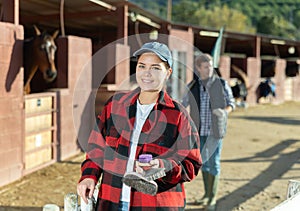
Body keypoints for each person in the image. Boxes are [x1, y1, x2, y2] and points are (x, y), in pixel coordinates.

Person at [77, 41, 202, 211]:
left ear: (168, 73)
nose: (147, 73)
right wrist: (89, 177)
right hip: (111, 201)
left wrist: (163, 166)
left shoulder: (178, 115)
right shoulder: (114, 106)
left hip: (155, 205)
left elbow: (191, 164)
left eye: (156, 68)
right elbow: (96, 148)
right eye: (142, 66)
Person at [182, 53, 235, 210]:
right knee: (203, 163)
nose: (209, 69)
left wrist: (224, 111)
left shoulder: (221, 84)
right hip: (199, 132)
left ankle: (212, 199)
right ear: (198, 68)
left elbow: (232, 103)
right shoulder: (192, 85)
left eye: (211, 66)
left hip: (215, 131)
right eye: (206, 67)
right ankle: (206, 195)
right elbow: (182, 104)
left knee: (214, 163)